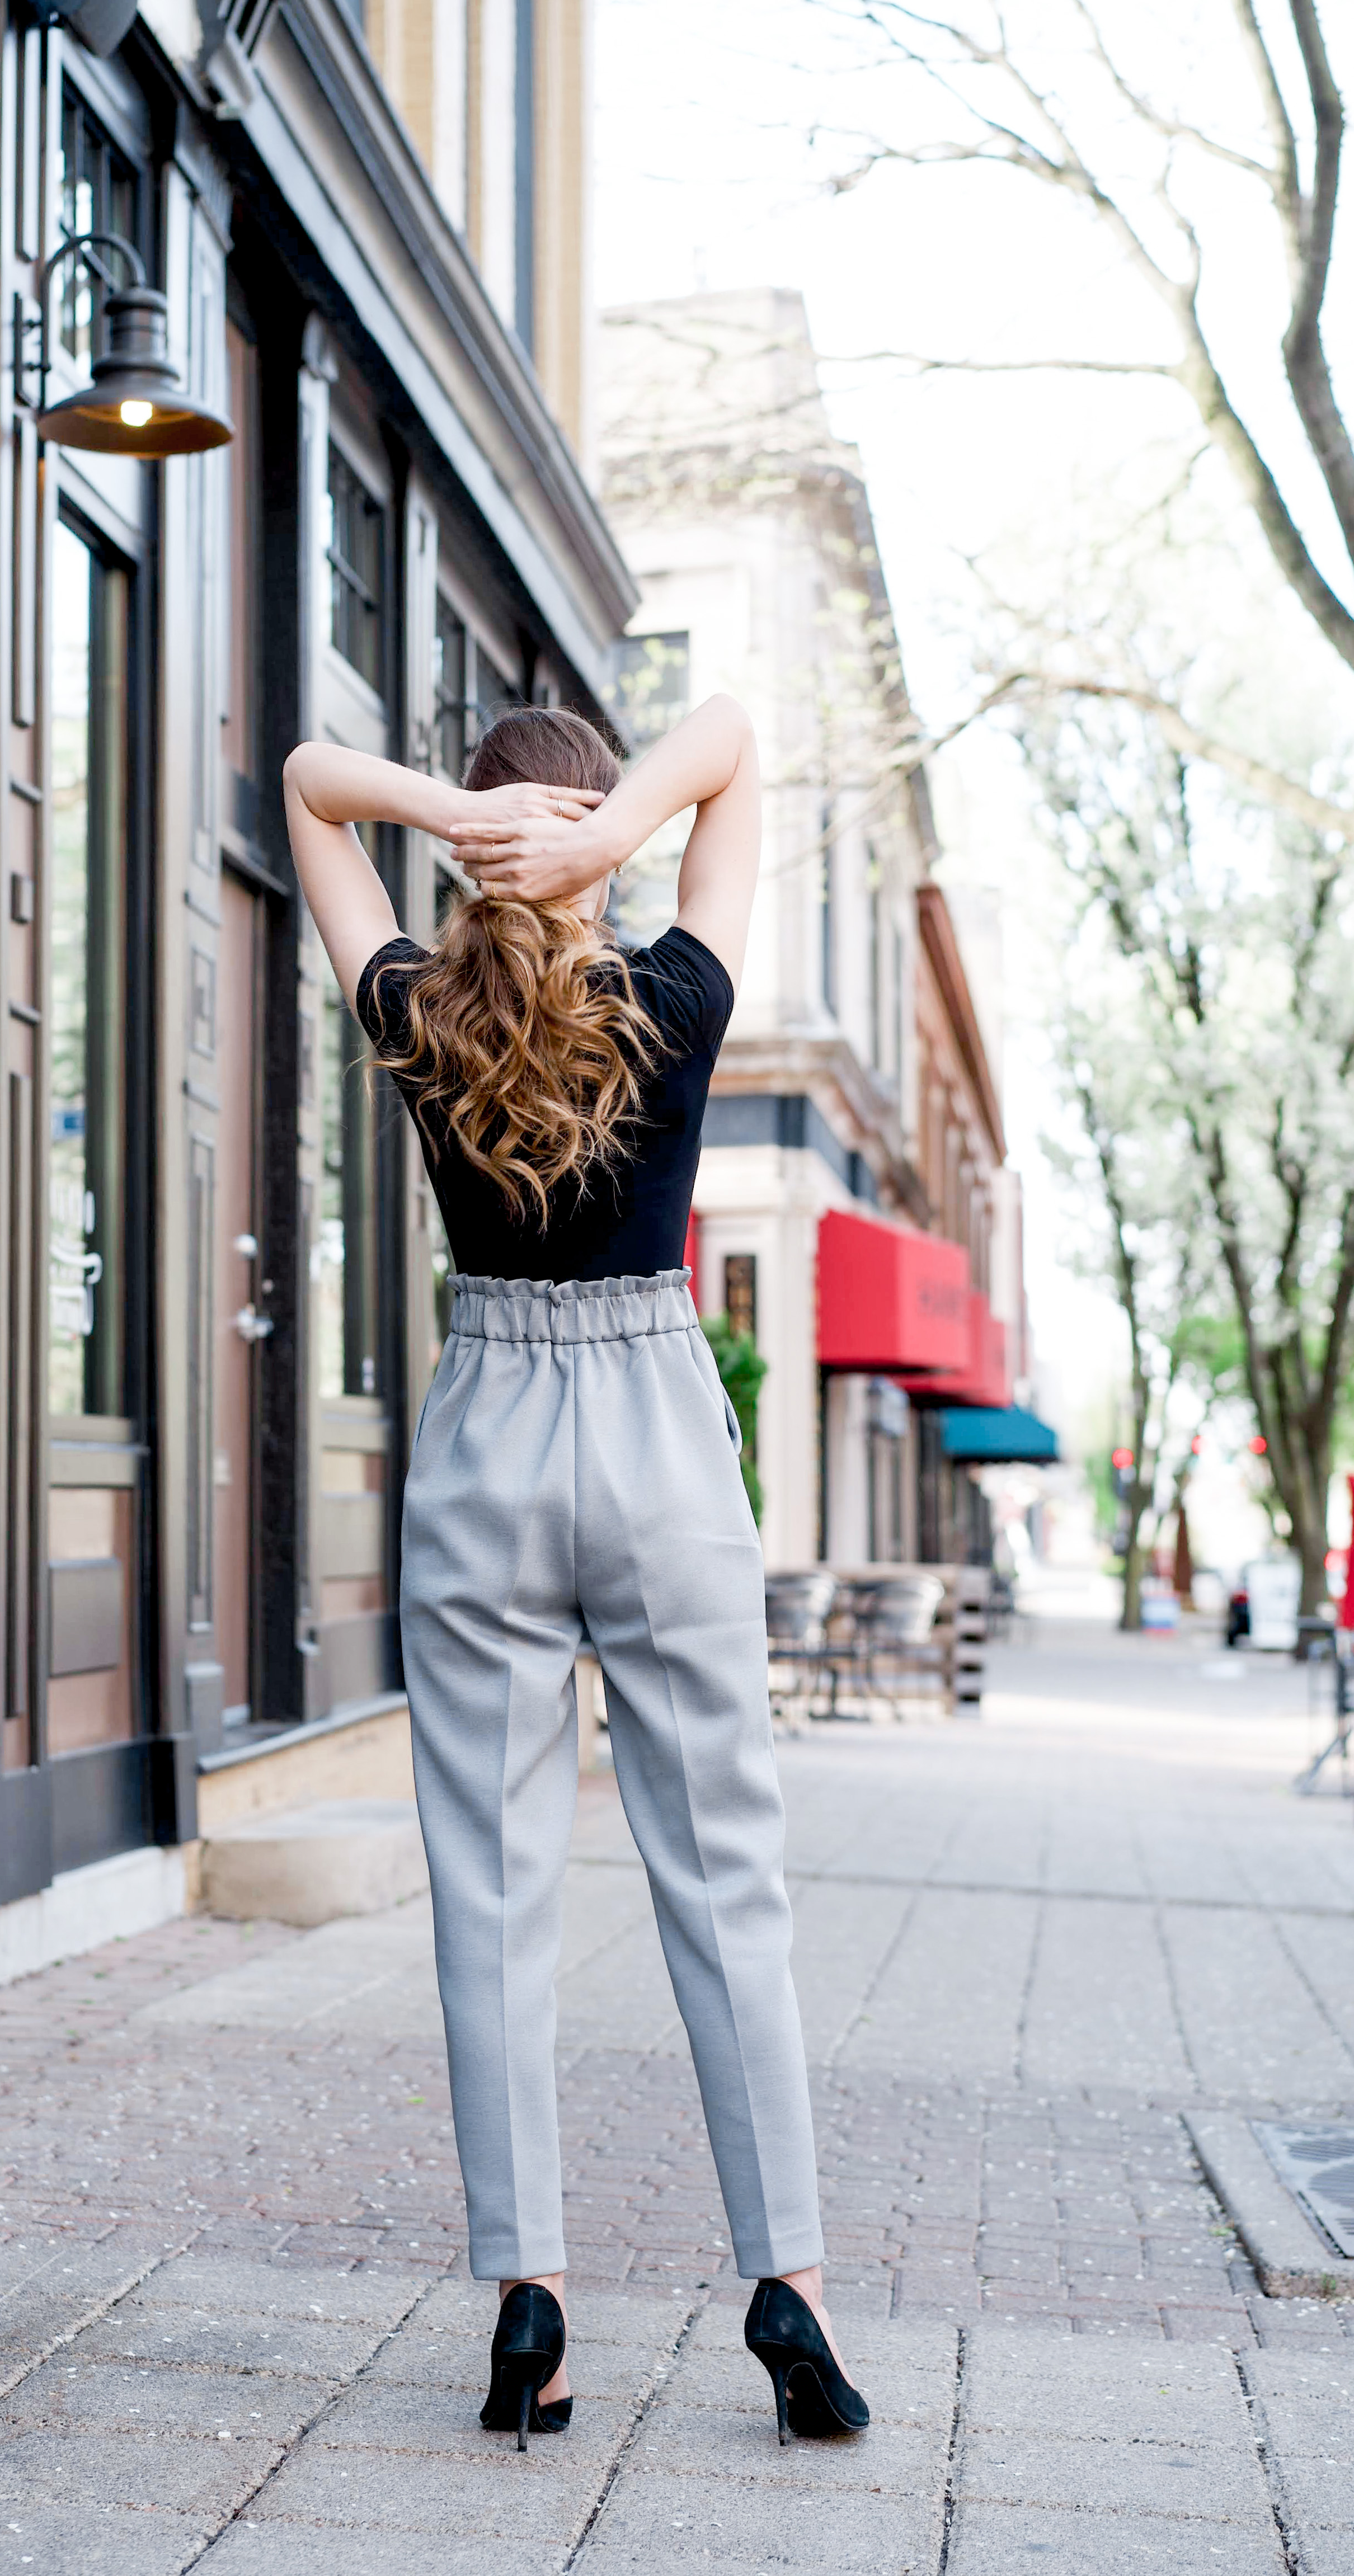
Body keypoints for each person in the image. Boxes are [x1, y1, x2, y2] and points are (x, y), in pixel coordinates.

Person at [283, 694, 866, 2452]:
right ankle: (792, 2290)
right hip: (658, 1431)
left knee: (492, 1885)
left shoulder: (416, 1016)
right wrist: (608, 838)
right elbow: (742, 740)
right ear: (601, 842)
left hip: (486, 1437)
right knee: (727, 1877)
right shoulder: (676, 1001)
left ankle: (529, 2295)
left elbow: (308, 791)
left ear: (473, 848)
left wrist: (465, 822)